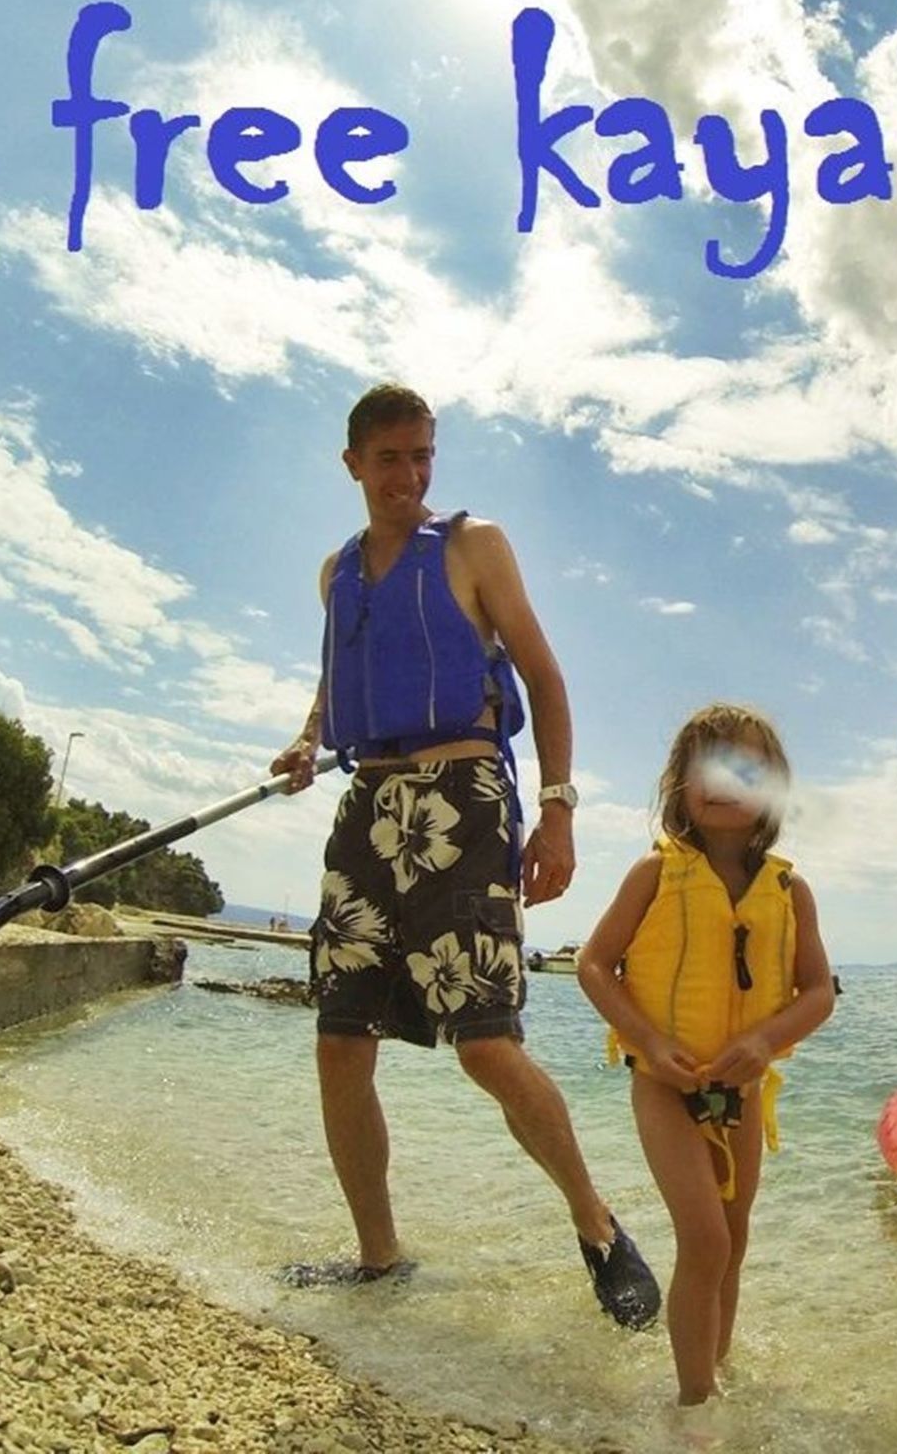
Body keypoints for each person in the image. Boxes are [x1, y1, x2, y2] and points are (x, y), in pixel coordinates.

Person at [269, 382, 660, 1327]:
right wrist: (305, 738)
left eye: (423, 455)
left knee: (485, 1044)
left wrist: (558, 811)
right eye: (391, 457)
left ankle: (598, 1224)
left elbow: (544, 675)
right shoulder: (337, 574)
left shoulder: (476, 547)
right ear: (353, 463)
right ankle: (378, 1257)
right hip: (368, 803)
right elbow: (339, 682)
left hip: (464, 799)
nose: (409, 474)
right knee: (337, 1040)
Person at [576, 704, 835, 1410]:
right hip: (665, 1088)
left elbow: (817, 992)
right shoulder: (654, 875)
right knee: (705, 1237)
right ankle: (694, 1404)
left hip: (741, 1095)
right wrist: (652, 1046)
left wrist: (762, 1042)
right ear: (679, 787)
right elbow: (595, 965)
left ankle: (714, 1369)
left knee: (736, 1236)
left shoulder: (790, 890)